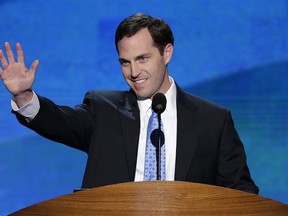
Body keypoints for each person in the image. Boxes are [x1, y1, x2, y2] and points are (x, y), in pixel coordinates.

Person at [0, 13, 259, 194]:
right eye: (125, 61)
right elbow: (59, 121)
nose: (134, 71)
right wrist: (24, 96)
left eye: (143, 58)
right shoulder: (103, 109)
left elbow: (242, 193)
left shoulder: (212, 120)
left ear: (167, 53)